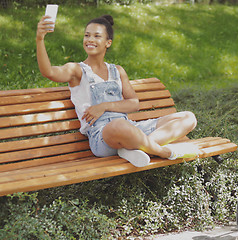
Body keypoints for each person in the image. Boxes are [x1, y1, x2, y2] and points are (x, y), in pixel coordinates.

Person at [36, 14, 200, 167]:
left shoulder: (117, 71)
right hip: (102, 137)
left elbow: (134, 104)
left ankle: (136, 149)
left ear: (108, 42)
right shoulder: (76, 70)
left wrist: (105, 106)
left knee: (188, 118)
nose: (90, 39)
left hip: (129, 128)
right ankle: (163, 152)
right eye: (87, 35)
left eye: (97, 36)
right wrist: (40, 39)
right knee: (118, 126)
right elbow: (48, 72)